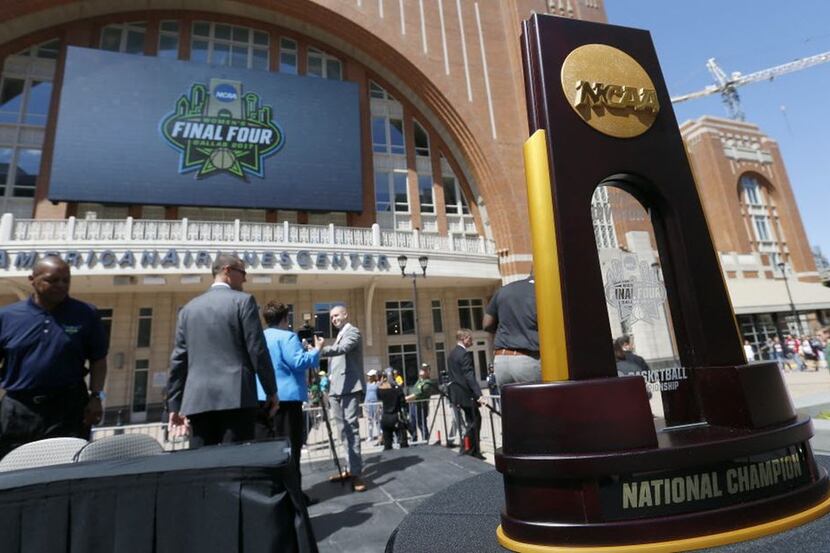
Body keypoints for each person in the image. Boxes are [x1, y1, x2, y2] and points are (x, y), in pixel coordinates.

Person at [0, 255, 108, 457]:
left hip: (68, 408)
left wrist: (96, 396)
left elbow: (98, 359)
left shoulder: (86, 313)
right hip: (19, 410)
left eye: (66, 280)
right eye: (52, 280)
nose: (61, 285)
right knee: (12, 470)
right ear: (32, 279)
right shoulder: (7, 317)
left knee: (65, 469)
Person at [167, 254, 278, 448]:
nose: (245, 279)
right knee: (234, 467)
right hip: (237, 399)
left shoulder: (188, 310)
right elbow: (257, 350)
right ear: (227, 270)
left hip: (198, 401)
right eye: (243, 272)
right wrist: (271, 391)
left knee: (201, 468)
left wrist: (174, 406)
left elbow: (178, 360)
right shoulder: (243, 302)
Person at [255, 301, 323, 497]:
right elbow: (299, 362)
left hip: (261, 398)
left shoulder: (260, 336)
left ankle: (272, 492)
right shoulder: (288, 337)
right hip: (286, 400)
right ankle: (294, 496)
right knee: (291, 450)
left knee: (269, 450)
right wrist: (315, 351)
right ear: (285, 319)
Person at [320, 304, 367, 492]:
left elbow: (344, 348)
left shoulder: (352, 332)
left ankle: (356, 474)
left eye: (336, 315)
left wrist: (321, 349)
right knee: (341, 431)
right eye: (331, 317)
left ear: (346, 314)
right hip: (335, 390)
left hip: (349, 388)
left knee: (351, 429)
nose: (334, 319)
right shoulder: (340, 335)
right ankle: (349, 468)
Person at [483, 273, 541, 389]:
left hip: (501, 361)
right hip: (527, 360)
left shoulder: (505, 290)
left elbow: (486, 324)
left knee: (511, 406)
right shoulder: (542, 290)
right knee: (537, 406)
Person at [447, 329, 487, 460]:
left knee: (472, 420)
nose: (472, 341)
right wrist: (479, 394)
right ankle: (470, 449)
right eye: (470, 338)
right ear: (464, 338)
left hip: (457, 395)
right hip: (466, 395)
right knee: (475, 421)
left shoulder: (452, 354)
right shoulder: (463, 354)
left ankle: (471, 449)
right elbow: (469, 375)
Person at [405, 364, 437, 442]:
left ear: (428, 372)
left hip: (421, 406)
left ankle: (425, 440)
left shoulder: (427, 383)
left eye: (424, 369)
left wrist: (405, 399)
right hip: (413, 405)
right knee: (412, 423)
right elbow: (413, 391)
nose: (421, 370)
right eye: (421, 369)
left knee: (421, 424)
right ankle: (414, 440)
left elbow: (417, 394)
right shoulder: (419, 381)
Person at [377, 372, 408, 450]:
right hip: (396, 416)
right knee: (403, 442)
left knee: (387, 444)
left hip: (385, 417)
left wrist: (380, 384)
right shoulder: (397, 390)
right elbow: (403, 402)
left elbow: (378, 394)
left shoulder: (380, 391)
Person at [364, 369, 381, 444]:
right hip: (369, 404)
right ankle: (370, 436)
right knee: (370, 421)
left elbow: (379, 395)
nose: (369, 377)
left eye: (370, 376)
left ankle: (379, 435)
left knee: (377, 420)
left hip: (376, 404)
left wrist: (379, 405)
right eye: (368, 376)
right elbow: (366, 395)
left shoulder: (377, 384)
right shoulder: (367, 384)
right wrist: (365, 404)